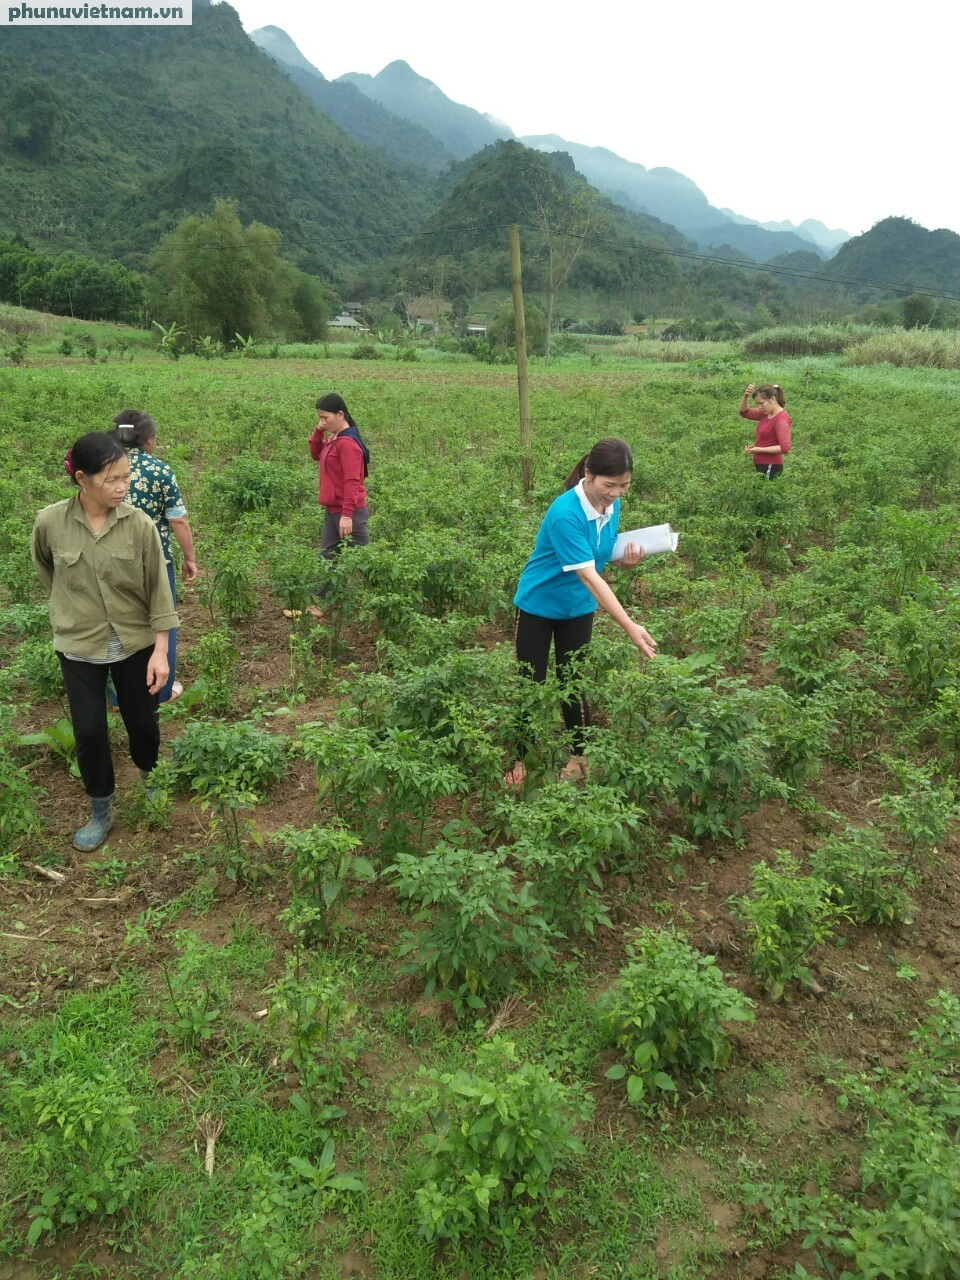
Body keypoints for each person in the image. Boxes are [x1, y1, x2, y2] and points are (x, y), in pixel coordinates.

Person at [31, 432, 178, 851]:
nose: (122, 487)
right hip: (79, 644)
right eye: (112, 479)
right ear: (82, 478)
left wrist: (162, 652)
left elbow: (158, 592)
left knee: (143, 722)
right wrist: (75, 609)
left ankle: (151, 778)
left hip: (134, 643)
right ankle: (101, 808)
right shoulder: (50, 523)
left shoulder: (139, 525)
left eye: (126, 478)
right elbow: (47, 571)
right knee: (90, 731)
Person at [504, 438, 657, 790]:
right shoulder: (565, 514)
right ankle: (520, 758)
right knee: (532, 683)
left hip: (578, 607)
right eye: (610, 485)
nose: (617, 493)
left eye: (625, 486)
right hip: (538, 607)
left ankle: (579, 756)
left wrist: (625, 562)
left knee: (572, 681)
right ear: (588, 475)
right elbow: (588, 574)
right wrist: (630, 626)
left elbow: (598, 557)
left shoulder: (610, 505)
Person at [108, 408, 198, 702]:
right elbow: (178, 520)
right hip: (155, 561)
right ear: (148, 440)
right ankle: (160, 689)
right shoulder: (159, 470)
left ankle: (116, 693)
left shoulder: (105, 468)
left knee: (115, 621)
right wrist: (189, 558)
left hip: (110, 559)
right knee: (162, 621)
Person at [287, 393, 370, 620]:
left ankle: (386, 599)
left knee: (366, 560)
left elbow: (353, 482)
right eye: (320, 418)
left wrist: (347, 516)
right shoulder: (334, 439)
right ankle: (321, 606)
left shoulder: (348, 444)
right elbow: (316, 454)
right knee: (327, 559)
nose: (323, 421)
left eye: (325, 417)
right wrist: (318, 431)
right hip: (332, 511)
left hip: (349, 513)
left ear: (340, 414)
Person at [740, 383, 791, 478]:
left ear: (772, 399)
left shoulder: (781, 419)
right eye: (757, 404)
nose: (759, 407)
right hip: (762, 464)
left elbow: (785, 448)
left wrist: (759, 449)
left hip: (771, 466)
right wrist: (746, 396)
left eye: (761, 403)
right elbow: (745, 413)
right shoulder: (766, 413)